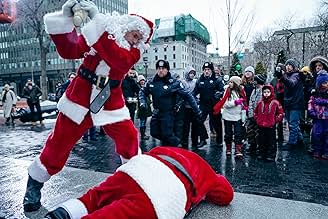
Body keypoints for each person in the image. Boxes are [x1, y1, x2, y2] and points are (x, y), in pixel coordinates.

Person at [23, 0, 154, 212]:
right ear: (126, 28)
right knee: (58, 145)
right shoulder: (101, 34)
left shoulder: (132, 52)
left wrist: (97, 20)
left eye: (139, 38)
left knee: (129, 139)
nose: (135, 39)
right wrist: (66, 20)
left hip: (110, 102)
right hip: (79, 99)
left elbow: (117, 58)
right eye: (134, 34)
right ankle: (34, 183)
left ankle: (134, 180)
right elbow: (70, 49)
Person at [44, 146, 234, 219]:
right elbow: (226, 195)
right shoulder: (207, 172)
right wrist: (213, 180)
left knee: (95, 197)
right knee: (115, 214)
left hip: (137, 169)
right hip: (158, 193)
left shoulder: (167, 149)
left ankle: (63, 213)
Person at [139, 60, 203, 146]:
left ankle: (177, 145)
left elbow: (188, 96)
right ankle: (172, 143)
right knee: (154, 133)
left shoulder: (174, 83)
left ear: (167, 70)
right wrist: (143, 102)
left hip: (168, 114)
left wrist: (197, 110)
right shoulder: (152, 82)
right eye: (158, 68)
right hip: (156, 112)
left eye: (163, 68)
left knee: (167, 134)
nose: (160, 70)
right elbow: (142, 92)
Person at [213, 76, 247, 157]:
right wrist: (235, 102)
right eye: (229, 82)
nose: (230, 83)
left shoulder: (241, 91)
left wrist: (244, 108)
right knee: (228, 134)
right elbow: (225, 104)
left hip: (237, 116)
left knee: (238, 133)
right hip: (228, 116)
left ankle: (238, 149)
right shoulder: (227, 91)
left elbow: (244, 102)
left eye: (232, 82)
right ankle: (228, 148)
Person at [193, 62, 224, 147]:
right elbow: (195, 92)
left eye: (208, 70)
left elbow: (222, 90)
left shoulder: (217, 80)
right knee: (199, 120)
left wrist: (220, 93)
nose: (206, 71)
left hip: (214, 105)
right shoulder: (200, 80)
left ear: (211, 71)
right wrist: (192, 98)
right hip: (203, 105)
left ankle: (219, 140)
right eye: (205, 70)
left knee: (217, 123)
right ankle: (203, 139)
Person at [275, 59, 304, 148]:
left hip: (295, 103)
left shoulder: (296, 75)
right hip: (288, 103)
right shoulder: (288, 75)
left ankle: (292, 143)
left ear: (294, 67)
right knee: (293, 123)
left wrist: (282, 77)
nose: (288, 66)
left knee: (293, 124)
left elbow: (291, 84)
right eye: (287, 65)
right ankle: (299, 139)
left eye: (290, 65)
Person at [254, 84, 284, 161]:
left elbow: (280, 113)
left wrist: (275, 120)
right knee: (261, 141)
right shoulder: (260, 103)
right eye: (264, 92)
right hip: (261, 125)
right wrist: (257, 119)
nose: (266, 93)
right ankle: (261, 154)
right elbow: (255, 112)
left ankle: (271, 155)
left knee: (271, 141)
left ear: (271, 92)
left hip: (271, 126)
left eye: (268, 92)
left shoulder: (275, 103)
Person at [308, 71, 328, 160]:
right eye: (324, 83)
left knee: (326, 135)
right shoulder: (315, 94)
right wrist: (311, 112)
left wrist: (322, 102)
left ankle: (326, 151)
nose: (326, 85)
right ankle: (317, 150)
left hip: (327, 119)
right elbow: (310, 103)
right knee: (316, 135)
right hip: (318, 118)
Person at [246, 74, 266, 155]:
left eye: (255, 81)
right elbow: (250, 102)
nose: (254, 82)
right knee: (250, 131)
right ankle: (252, 146)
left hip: (259, 116)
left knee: (259, 133)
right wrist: (251, 114)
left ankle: (260, 147)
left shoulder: (263, 91)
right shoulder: (254, 91)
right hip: (252, 116)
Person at [181, 66, 199, 149]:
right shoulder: (183, 82)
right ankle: (184, 142)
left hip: (194, 108)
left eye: (193, 73)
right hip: (186, 107)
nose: (192, 75)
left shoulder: (196, 82)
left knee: (195, 126)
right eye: (190, 73)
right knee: (185, 127)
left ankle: (195, 142)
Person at [136, 75, 152, 140]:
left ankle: (143, 134)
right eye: (141, 80)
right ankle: (142, 135)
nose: (142, 81)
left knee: (144, 121)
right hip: (142, 107)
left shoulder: (146, 87)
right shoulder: (139, 88)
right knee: (142, 121)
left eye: (143, 80)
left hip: (146, 106)